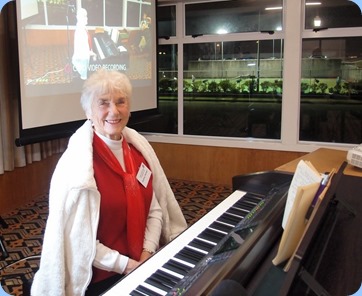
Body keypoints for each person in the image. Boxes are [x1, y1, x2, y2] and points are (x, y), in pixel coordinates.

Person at [30, 69, 187, 295]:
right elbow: (80, 241)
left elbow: (154, 209)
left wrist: (147, 253)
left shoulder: (139, 150)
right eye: (103, 103)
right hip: (101, 279)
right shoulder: (77, 165)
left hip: (144, 261)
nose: (114, 111)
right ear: (88, 110)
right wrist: (128, 266)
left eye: (120, 101)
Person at [72, 8, 96, 80]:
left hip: (84, 56)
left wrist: (91, 52)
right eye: (84, 16)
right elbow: (82, 49)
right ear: (79, 17)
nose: (87, 18)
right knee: (84, 79)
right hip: (82, 60)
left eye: (86, 16)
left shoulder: (83, 27)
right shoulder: (80, 31)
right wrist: (92, 54)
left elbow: (86, 44)